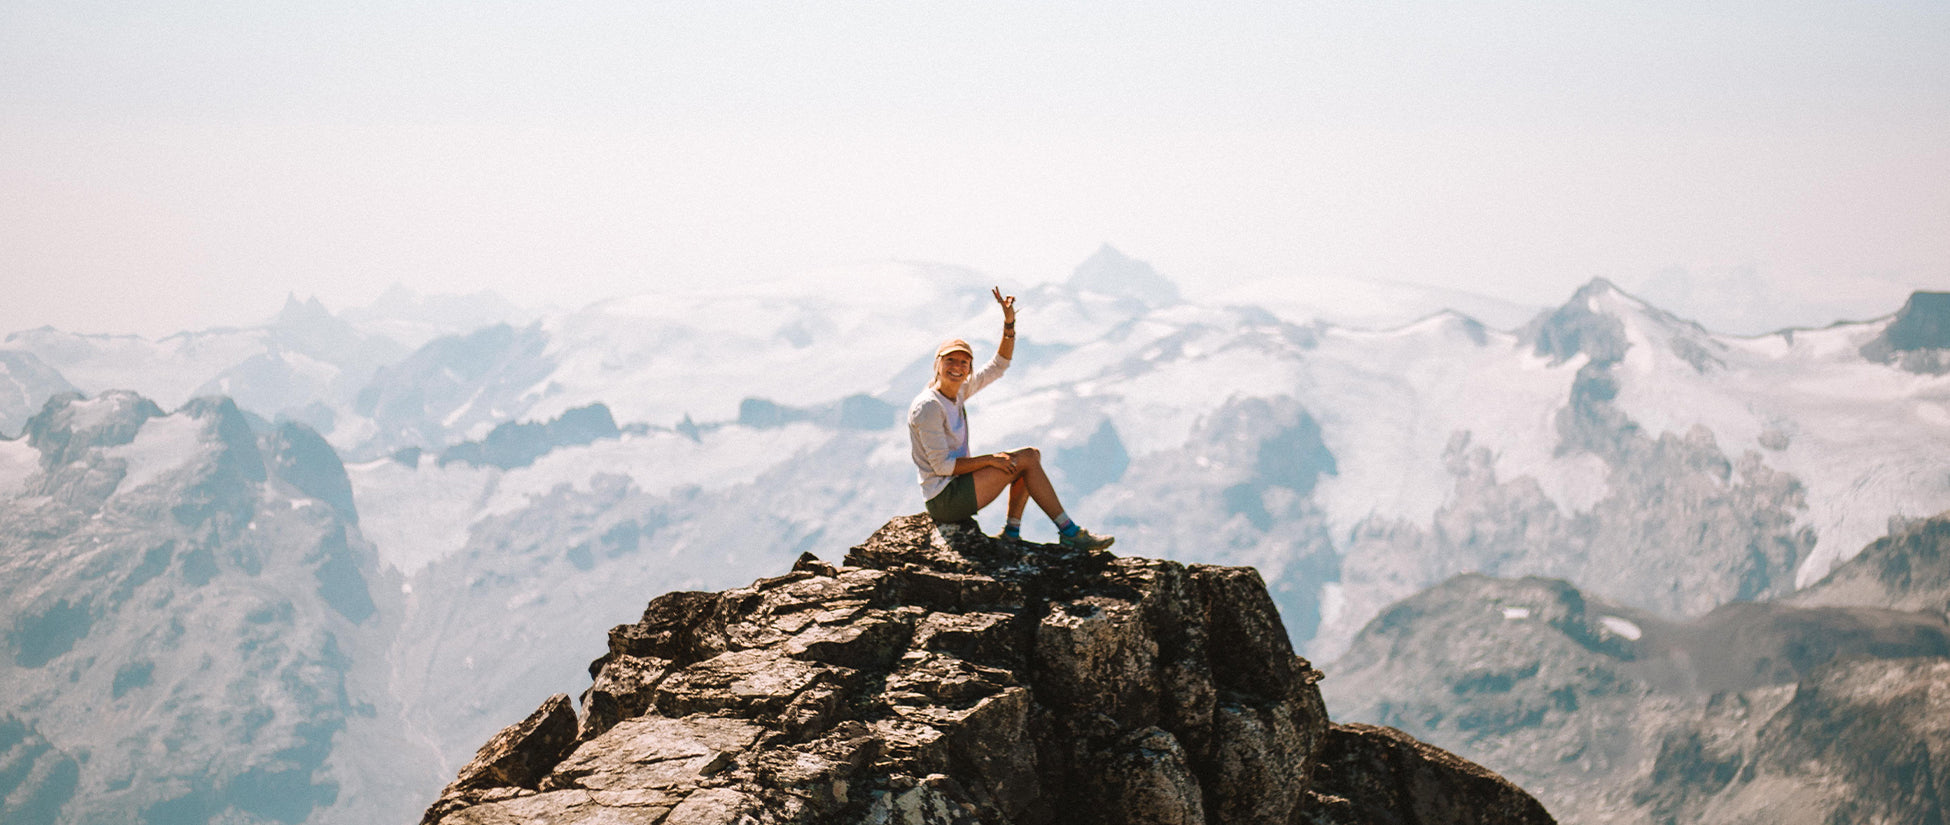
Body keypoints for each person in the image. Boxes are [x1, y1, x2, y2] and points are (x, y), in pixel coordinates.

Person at [907, 287, 1114, 550]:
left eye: (964, 362)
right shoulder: (928, 407)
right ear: (937, 364)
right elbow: (942, 467)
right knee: (1025, 459)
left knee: (1031, 456)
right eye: (951, 360)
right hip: (944, 499)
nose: (957, 367)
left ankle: (1013, 534)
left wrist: (1009, 323)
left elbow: (999, 365)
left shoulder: (957, 392)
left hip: (956, 488)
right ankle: (1068, 532)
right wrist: (991, 460)